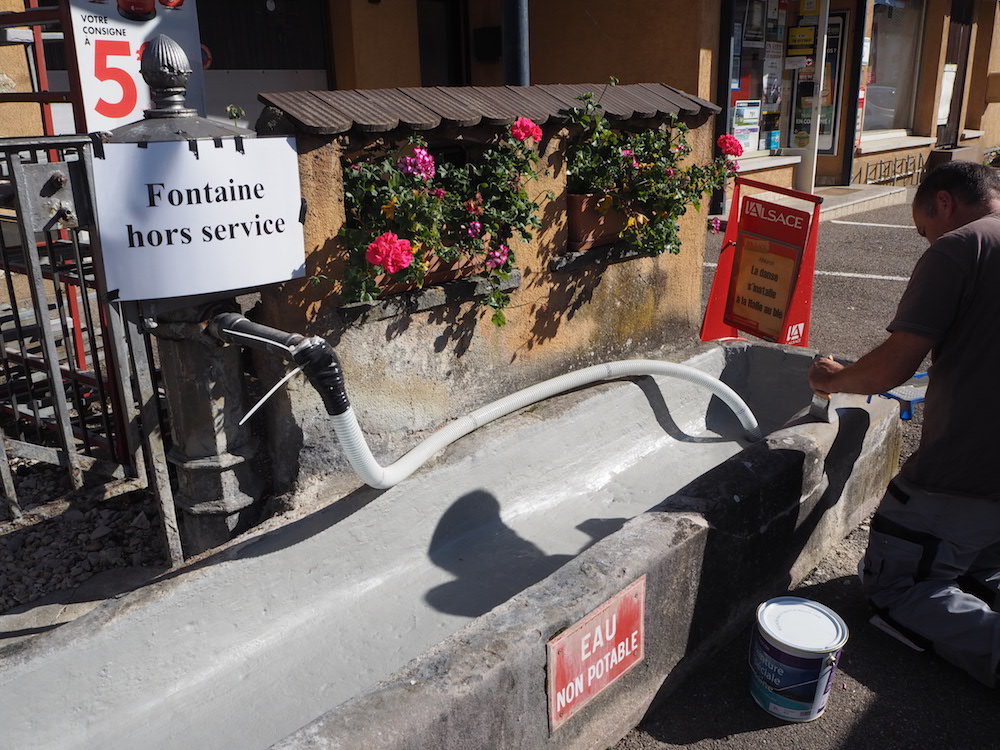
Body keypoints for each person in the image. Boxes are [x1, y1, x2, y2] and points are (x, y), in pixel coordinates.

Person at [808, 160, 1000, 687]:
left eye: (922, 230)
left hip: (968, 474)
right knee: (981, 565)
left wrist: (834, 378)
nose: (926, 242)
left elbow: (897, 364)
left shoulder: (964, 246)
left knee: (895, 587)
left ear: (943, 202)